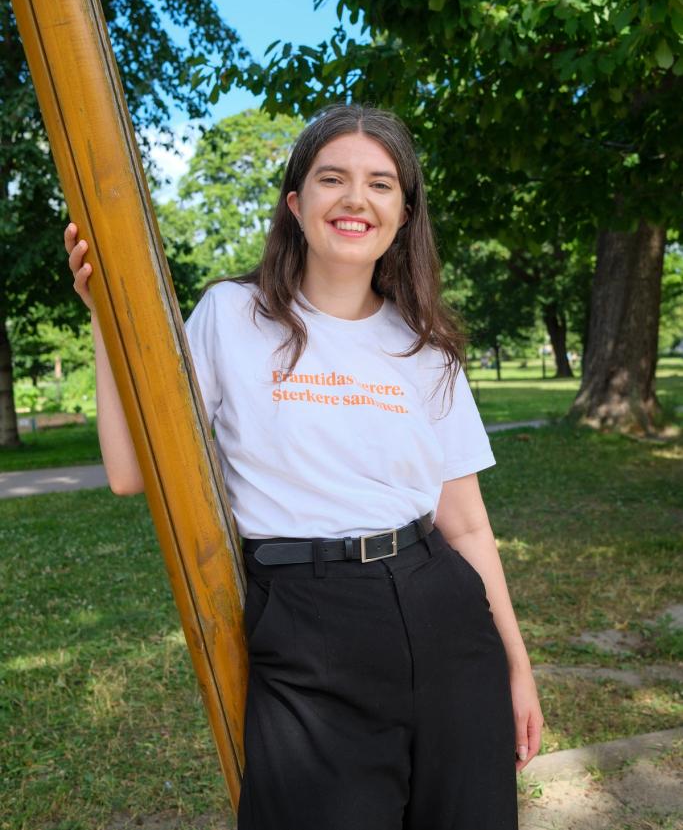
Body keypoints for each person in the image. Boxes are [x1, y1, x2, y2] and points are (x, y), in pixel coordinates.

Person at [65, 103, 543, 830]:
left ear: (404, 214)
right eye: (332, 178)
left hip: (443, 614)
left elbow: (468, 525)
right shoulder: (231, 315)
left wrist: (516, 663)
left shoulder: (427, 346)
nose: (356, 199)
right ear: (295, 202)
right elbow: (135, 470)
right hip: (305, 622)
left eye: (381, 184)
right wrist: (104, 314)